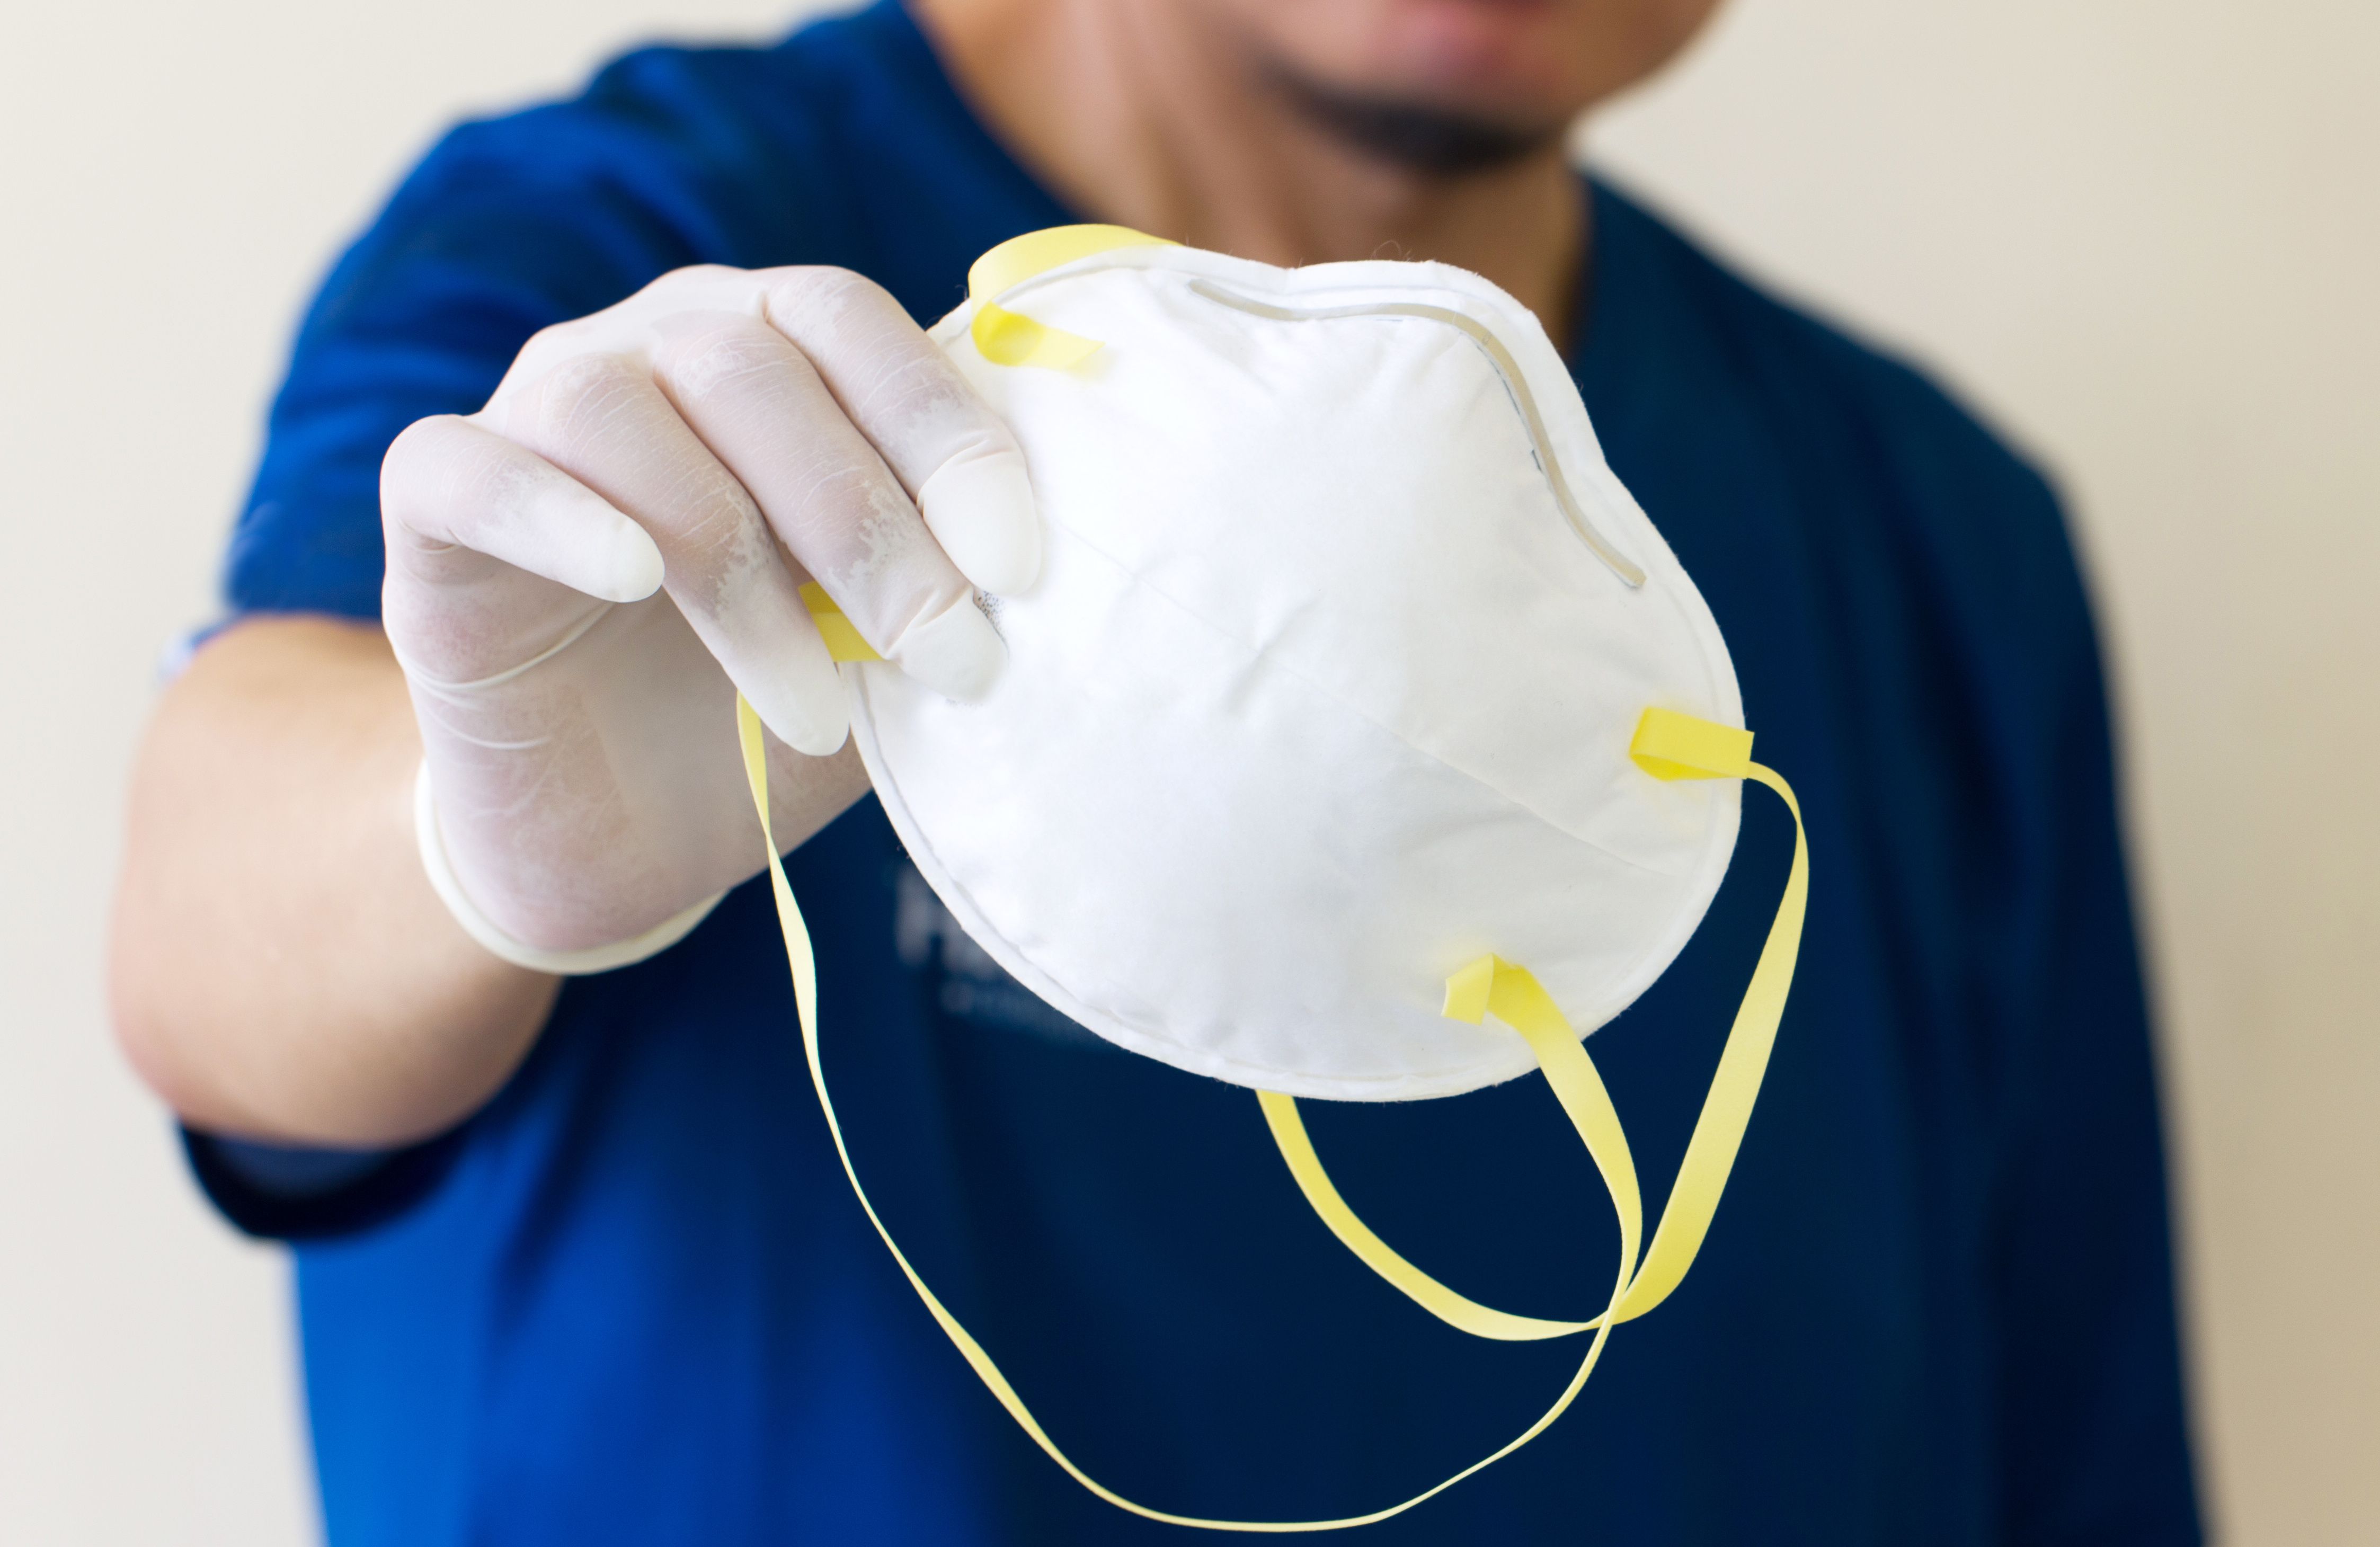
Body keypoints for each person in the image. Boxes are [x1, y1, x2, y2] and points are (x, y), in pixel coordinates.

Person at [106, 0, 2201, 1541]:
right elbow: (208, 954)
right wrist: (461, 841)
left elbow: (2071, 1437)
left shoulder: (1930, 533)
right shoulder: (656, 254)